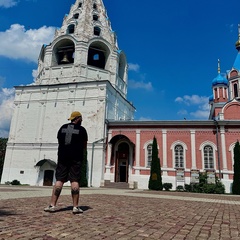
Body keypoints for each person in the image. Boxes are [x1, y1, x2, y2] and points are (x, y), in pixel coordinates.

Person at [44, 111, 88, 214]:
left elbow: (59, 141)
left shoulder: (62, 127)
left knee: (59, 180)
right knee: (75, 180)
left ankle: (52, 205)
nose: (81, 120)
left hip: (63, 157)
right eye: (81, 119)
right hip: (76, 158)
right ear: (78, 118)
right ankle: (75, 207)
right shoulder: (82, 130)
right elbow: (84, 146)